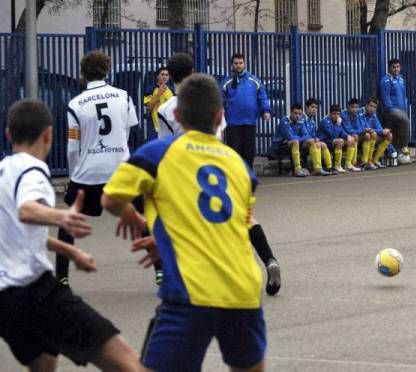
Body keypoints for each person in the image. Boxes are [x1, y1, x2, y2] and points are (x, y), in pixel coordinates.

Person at [101, 73, 267, 372]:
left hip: (191, 292)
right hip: (243, 289)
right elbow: (232, 223)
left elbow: (110, 199)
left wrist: (136, 219)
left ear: (176, 115)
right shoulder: (240, 166)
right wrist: (168, 237)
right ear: (220, 117)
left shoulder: (157, 154)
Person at [0, 99, 143, 372]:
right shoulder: (33, 169)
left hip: (6, 301)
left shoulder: (4, 171)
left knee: (44, 362)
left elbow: (18, 233)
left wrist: (71, 250)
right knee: (128, 362)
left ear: (9, 134)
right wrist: (60, 216)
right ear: (48, 134)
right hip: (33, 290)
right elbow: (26, 210)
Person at [158, 53, 281, 296]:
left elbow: (165, 145)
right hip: (221, 165)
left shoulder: (167, 108)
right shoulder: (212, 102)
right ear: (193, 70)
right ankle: (269, 259)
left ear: (170, 76)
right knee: (245, 217)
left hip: (189, 171)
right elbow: (222, 137)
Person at [55, 50, 165, 286]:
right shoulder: (124, 97)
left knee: (69, 220)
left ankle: (61, 277)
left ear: (83, 74)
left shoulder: (75, 104)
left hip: (89, 172)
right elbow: (129, 129)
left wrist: (74, 176)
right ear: (106, 70)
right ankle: (160, 270)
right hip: (120, 169)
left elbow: (73, 147)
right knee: (142, 217)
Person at [221, 53, 271, 168]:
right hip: (233, 122)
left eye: (240, 63)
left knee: (249, 151)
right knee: (234, 150)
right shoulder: (226, 82)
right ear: (232, 65)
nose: (238, 65)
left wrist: (266, 111)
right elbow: (220, 99)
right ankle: (235, 173)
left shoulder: (254, 80)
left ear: (244, 64)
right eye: (236, 63)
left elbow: (262, 96)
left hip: (250, 121)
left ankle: (248, 173)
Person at [272, 103, 330, 176]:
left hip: (293, 143)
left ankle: (317, 168)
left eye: (299, 114)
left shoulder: (301, 121)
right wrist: (300, 138)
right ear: (291, 113)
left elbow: (307, 135)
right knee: (296, 141)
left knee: (311, 141)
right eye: (295, 113)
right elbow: (290, 137)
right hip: (279, 146)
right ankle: (297, 169)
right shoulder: (284, 121)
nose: (297, 116)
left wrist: (299, 138)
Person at [380, 58, 411, 164]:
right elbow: (385, 97)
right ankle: (404, 148)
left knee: (396, 133)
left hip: (402, 109)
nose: (396, 69)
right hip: (391, 110)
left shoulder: (401, 79)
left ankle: (396, 154)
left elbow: (403, 95)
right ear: (389, 68)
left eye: (398, 67)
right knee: (405, 122)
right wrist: (390, 110)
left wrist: (405, 108)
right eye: (393, 67)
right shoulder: (386, 80)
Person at [317, 104, 358, 173]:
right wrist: (338, 124)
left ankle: (348, 164)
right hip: (325, 141)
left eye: (338, 114)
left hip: (332, 141)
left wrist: (348, 136)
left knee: (352, 139)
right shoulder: (325, 121)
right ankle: (337, 165)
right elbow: (333, 135)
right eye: (334, 114)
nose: (336, 116)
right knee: (340, 141)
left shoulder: (336, 121)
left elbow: (341, 132)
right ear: (330, 114)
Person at [304, 98, 336, 174]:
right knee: (316, 143)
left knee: (323, 144)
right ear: (306, 107)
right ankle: (317, 168)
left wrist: (316, 139)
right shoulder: (302, 118)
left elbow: (314, 135)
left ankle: (329, 168)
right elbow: (304, 134)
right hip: (301, 142)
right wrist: (315, 139)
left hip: (309, 142)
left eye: (316, 108)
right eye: (312, 107)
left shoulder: (312, 122)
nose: (314, 109)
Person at [342, 98, 374, 170]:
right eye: (352, 107)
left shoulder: (357, 114)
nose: (354, 109)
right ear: (348, 107)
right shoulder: (344, 115)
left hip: (353, 135)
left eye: (356, 107)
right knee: (355, 136)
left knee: (367, 135)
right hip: (343, 136)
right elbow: (348, 130)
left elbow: (359, 127)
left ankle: (364, 162)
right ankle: (353, 162)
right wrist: (363, 130)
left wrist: (366, 130)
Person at [144, 67, 174, 139]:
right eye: (162, 74)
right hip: (155, 127)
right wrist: (159, 93)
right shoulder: (150, 89)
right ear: (157, 76)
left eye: (167, 75)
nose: (165, 77)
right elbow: (149, 107)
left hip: (168, 125)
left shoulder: (172, 90)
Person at [363, 97, 393, 168]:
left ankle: (375, 160)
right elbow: (364, 128)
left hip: (370, 135)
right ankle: (366, 161)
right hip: (361, 135)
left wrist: (384, 131)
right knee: (372, 134)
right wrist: (380, 131)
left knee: (389, 135)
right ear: (366, 105)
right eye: (371, 106)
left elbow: (379, 128)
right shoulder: (360, 113)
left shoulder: (374, 115)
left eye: (374, 107)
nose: (372, 108)